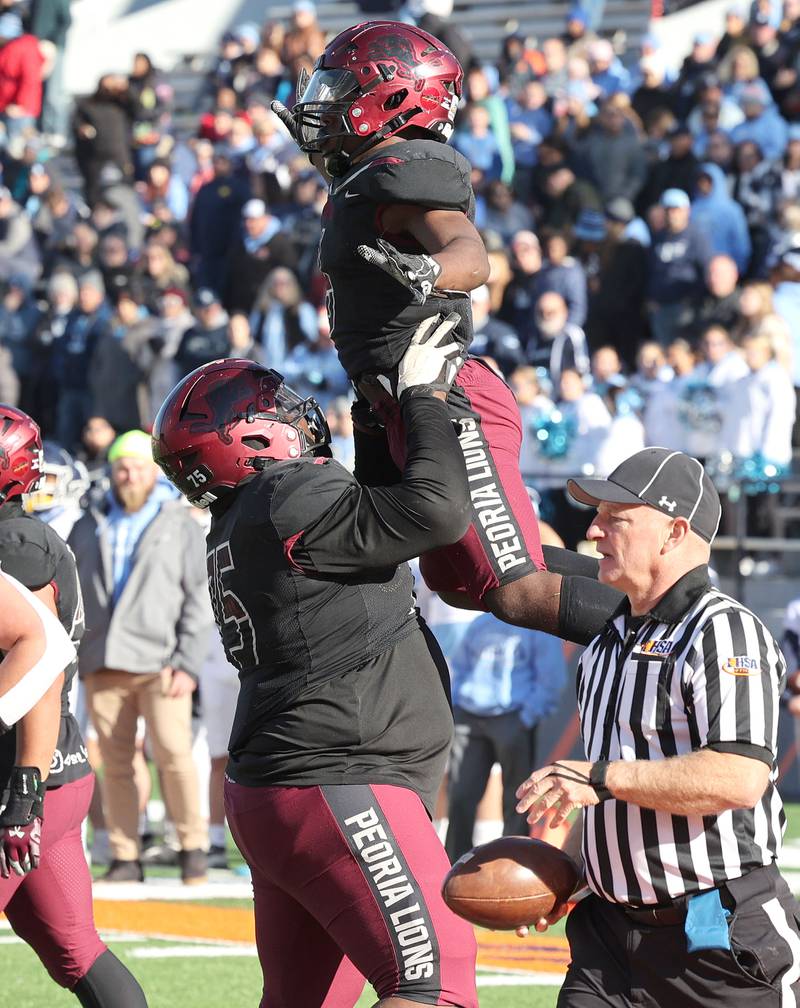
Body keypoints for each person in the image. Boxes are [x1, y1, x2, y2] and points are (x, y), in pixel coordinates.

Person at [273, 20, 622, 646]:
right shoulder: (363, 183)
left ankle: (683, 635)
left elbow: (470, 253)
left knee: (518, 590)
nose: (322, 102)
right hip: (403, 401)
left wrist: (430, 270)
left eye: (338, 87)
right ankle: (654, 602)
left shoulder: (405, 172)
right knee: (463, 584)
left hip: (448, 396)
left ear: (394, 97)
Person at [152, 341, 479, 1007]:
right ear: (247, 438)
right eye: (275, 410)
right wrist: (422, 399)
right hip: (337, 777)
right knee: (436, 985)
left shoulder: (243, 518)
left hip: (284, 787)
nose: (296, 416)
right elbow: (438, 511)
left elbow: (380, 510)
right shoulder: (289, 491)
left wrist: (370, 415)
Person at [515, 446, 800, 1007]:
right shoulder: (605, 643)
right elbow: (611, 792)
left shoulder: (725, 632)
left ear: (674, 532)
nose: (594, 531)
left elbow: (739, 777)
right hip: (607, 941)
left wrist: (601, 778)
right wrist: (567, 870)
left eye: (615, 518)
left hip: (715, 935)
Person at [0, 406, 147, 1008]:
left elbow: (40, 655)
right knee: (76, 950)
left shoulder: (16, 543)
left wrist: (23, 790)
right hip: (54, 769)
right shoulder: (29, 536)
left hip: (23, 774)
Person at [69, 429, 212, 884]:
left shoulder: (179, 523)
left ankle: (193, 848)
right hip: (103, 659)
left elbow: (198, 597)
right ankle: (125, 855)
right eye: (121, 467)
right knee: (115, 765)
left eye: (137, 466)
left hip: (162, 660)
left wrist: (188, 661)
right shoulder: (88, 522)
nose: (128, 474)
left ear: (154, 472)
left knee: (173, 755)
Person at [444, 613, 567, 862]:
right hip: (470, 716)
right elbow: (459, 668)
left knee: (517, 799)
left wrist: (526, 717)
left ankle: (511, 862)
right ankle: (454, 863)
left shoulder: (536, 626)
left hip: (513, 717)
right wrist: (457, 705)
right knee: (460, 796)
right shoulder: (481, 624)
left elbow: (552, 678)